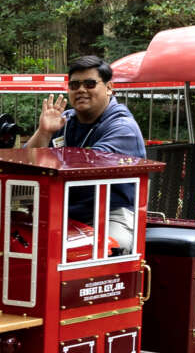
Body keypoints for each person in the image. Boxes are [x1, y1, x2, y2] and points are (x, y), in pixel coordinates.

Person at [30, 55, 147, 246]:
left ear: (109, 88)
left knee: (102, 249)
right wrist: (44, 132)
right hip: (61, 210)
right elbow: (25, 161)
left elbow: (86, 165)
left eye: (90, 84)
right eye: (74, 85)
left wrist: (48, 157)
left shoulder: (123, 127)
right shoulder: (63, 120)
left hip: (110, 213)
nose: (81, 90)